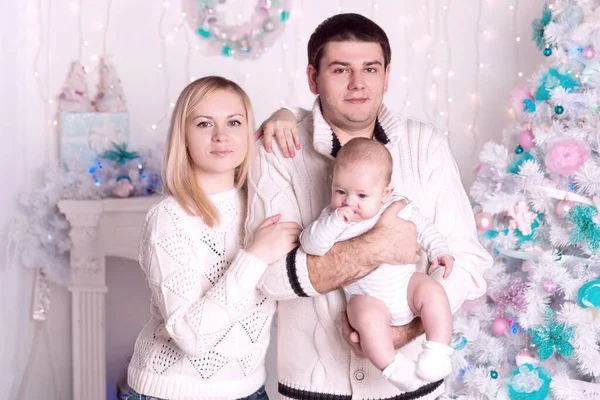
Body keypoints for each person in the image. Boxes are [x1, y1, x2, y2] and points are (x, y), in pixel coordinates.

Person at [245, 13, 493, 400]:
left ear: (387, 76)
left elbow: (467, 259)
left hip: (418, 389)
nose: (358, 84)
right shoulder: (280, 148)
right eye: (341, 69)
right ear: (313, 78)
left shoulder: (424, 145)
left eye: (370, 69)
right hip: (315, 389)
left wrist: (404, 330)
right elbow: (270, 276)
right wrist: (375, 247)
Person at [127, 76, 301, 400]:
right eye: (205, 123)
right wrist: (254, 256)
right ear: (184, 137)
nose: (221, 135)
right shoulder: (169, 217)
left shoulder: (261, 202)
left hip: (250, 390)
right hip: (175, 393)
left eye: (234, 122)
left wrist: (286, 114)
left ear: (250, 133)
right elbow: (191, 337)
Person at [299, 138, 455, 391]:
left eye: (361, 195)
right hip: (368, 296)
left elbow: (425, 228)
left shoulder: (398, 206)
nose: (349, 202)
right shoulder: (332, 218)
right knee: (364, 317)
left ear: (385, 193)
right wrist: (336, 222)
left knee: (433, 291)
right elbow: (311, 245)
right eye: (340, 191)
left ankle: (437, 351)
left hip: (406, 285)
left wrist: (439, 250)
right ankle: (393, 368)